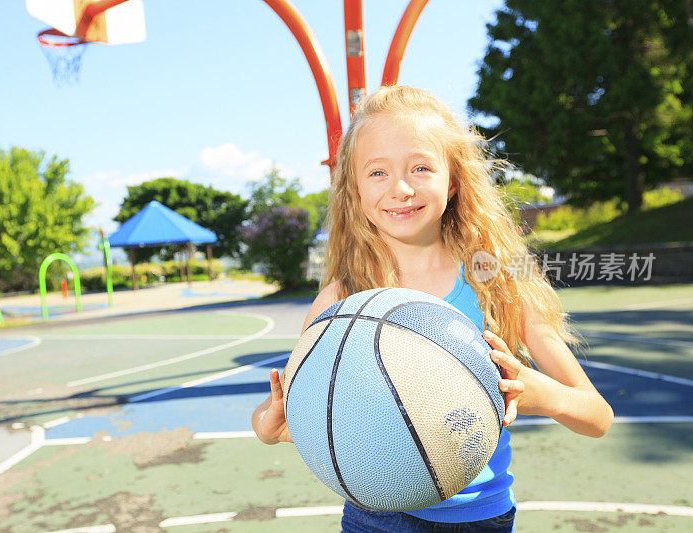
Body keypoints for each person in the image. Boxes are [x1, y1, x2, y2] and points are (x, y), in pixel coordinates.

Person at [251, 85, 614, 532]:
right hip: (376, 517)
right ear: (355, 190)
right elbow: (284, 419)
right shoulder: (342, 302)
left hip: (483, 517)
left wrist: (542, 394)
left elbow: (598, 418)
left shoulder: (496, 283)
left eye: (420, 167)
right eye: (378, 172)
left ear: (454, 180)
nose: (400, 188)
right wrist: (272, 424)